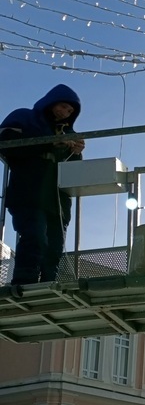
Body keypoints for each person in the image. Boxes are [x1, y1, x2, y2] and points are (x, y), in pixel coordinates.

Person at [0, 84, 85, 285]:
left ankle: (48, 284)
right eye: (63, 106)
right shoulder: (24, 117)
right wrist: (49, 142)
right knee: (35, 237)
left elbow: (73, 170)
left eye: (70, 111)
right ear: (51, 102)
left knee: (55, 246)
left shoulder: (69, 133)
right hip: (29, 191)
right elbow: (6, 143)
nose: (65, 112)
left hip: (58, 199)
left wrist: (76, 152)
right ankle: (25, 281)